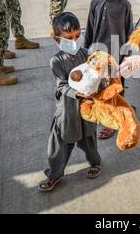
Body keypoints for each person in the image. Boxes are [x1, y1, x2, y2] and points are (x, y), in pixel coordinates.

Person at [38, 12, 102, 192]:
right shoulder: (56, 61)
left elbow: (96, 76)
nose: (74, 41)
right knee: (59, 144)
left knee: (89, 139)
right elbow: (61, 86)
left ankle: (95, 163)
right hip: (67, 110)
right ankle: (54, 174)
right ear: (57, 40)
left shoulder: (88, 54)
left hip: (87, 108)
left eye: (77, 36)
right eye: (68, 38)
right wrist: (77, 93)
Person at [84, 0, 134, 140]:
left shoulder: (124, 5)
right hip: (96, 55)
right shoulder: (94, 3)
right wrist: (85, 53)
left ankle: (111, 122)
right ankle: (104, 115)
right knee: (98, 89)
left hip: (116, 56)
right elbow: (89, 30)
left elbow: (129, 33)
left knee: (115, 90)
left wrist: (126, 58)